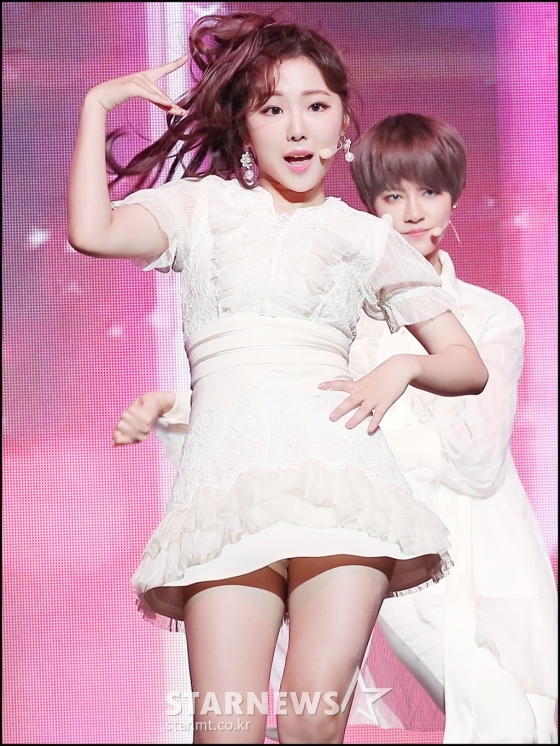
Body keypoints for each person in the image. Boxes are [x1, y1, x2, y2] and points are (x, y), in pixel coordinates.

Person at [68, 12, 488, 743]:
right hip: (225, 491)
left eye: (316, 106)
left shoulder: (365, 236)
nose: (297, 129)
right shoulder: (201, 208)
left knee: (309, 723)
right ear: (244, 127)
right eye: (272, 109)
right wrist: (96, 105)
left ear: (343, 122)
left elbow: (467, 363)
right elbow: (93, 232)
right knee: (225, 727)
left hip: (342, 488)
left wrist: (405, 365)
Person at [117, 113, 556, 744]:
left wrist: (395, 383)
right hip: (369, 531)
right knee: (492, 719)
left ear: (455, 195)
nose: (413, 213)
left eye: (429, 192)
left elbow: (477, 458)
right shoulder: (350, 307)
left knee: (530, 720)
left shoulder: (489, 317)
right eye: (392, 196)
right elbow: (276, 405)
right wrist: (180, 409)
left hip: (481, 554)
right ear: (371, 202)